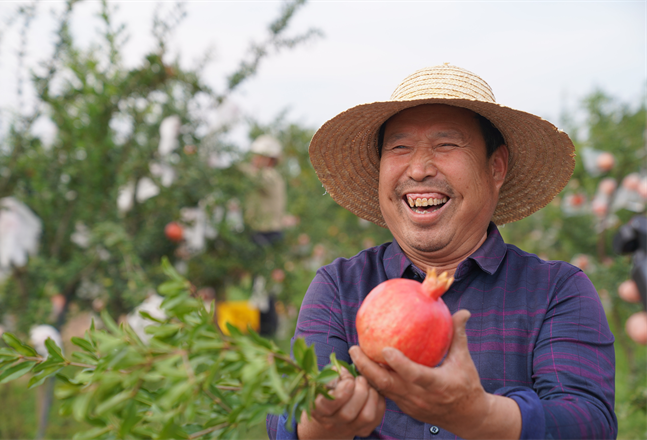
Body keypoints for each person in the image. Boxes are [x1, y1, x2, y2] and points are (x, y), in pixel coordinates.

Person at [266, 64, 617, 440]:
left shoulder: (556, 290)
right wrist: (321, 418)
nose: (417, 169)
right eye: (399, 147)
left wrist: (481, 416)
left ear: (495, 167)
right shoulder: (339, 287)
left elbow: (587, 421)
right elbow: (286, 419)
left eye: (446, 145)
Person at [240, 134, 287, 336]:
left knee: (263, 284)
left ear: (268, 159)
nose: (254, 160)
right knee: (260, 284)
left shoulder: (269, 177)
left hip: (267, 236)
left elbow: (249, 175)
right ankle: (261, 327)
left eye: (258, 156)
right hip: (261, 235)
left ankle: (266, 329)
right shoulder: (266, 177)